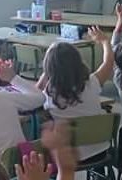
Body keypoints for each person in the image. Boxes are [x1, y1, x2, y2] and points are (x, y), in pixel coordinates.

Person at [38, 28, 114, 161]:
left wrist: (48, 72)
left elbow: (35, 93)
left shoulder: (50, 95)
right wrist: (105, 42)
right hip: (101, 150)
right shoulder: (91, 83)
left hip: (70, 157)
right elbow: (108, 63)